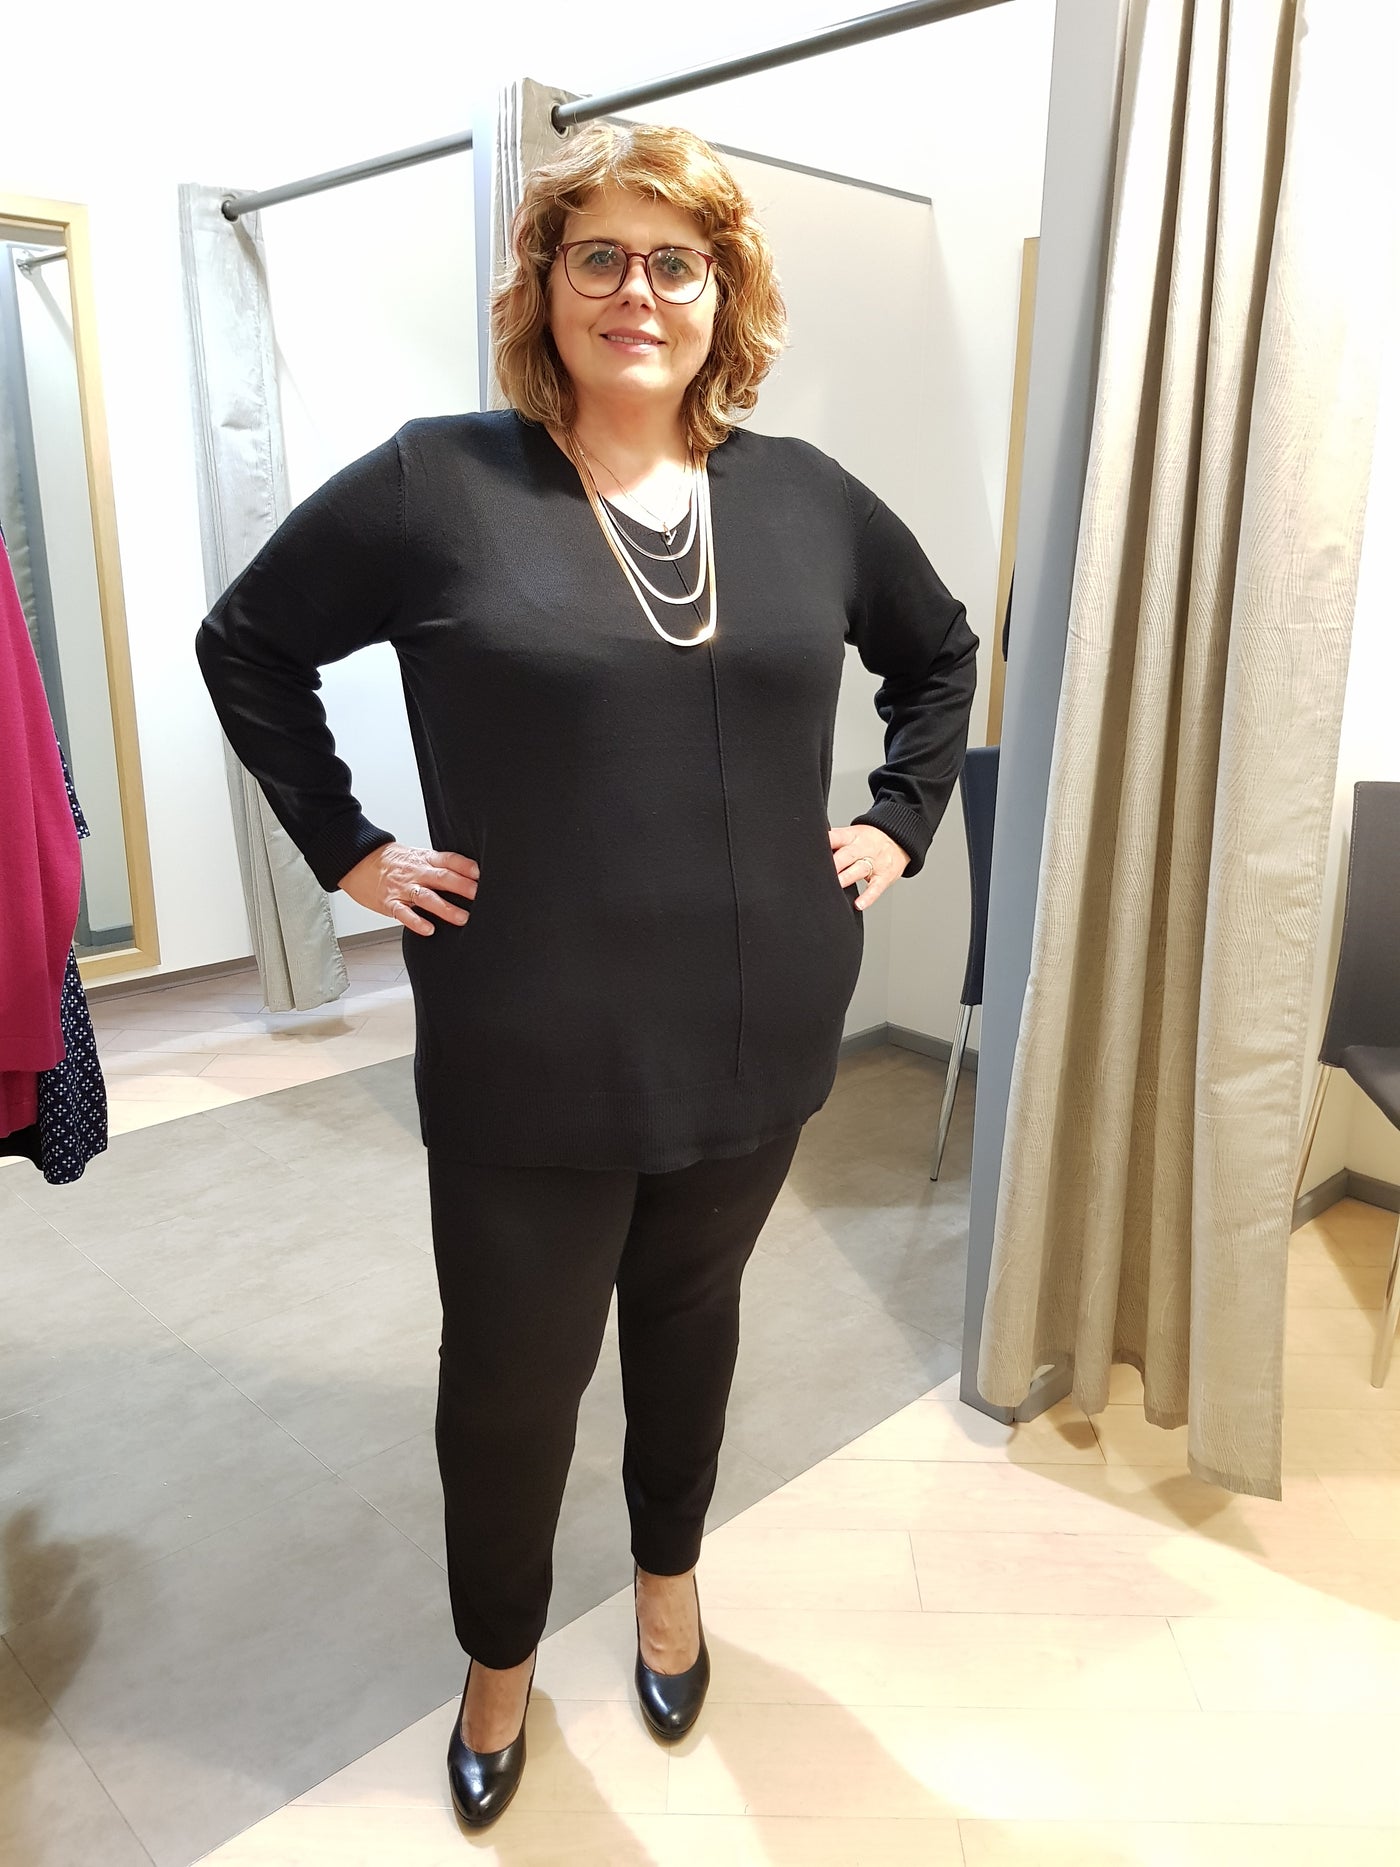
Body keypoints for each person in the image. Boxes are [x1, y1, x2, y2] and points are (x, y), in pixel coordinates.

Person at [194, 119, 978, 1830]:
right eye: (599, 256)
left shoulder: (805, 498)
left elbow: (940, 654)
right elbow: (245, 642)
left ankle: (670, 1577)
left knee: (693, 1321)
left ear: (723, 295)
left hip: (757, 1018)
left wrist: (899, 820)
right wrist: (348, 850)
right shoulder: (441, 483)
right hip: (530, 1033)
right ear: (546, 286)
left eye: (675, 262)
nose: (638, 291)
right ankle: (499, 1661)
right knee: (512, 1379)